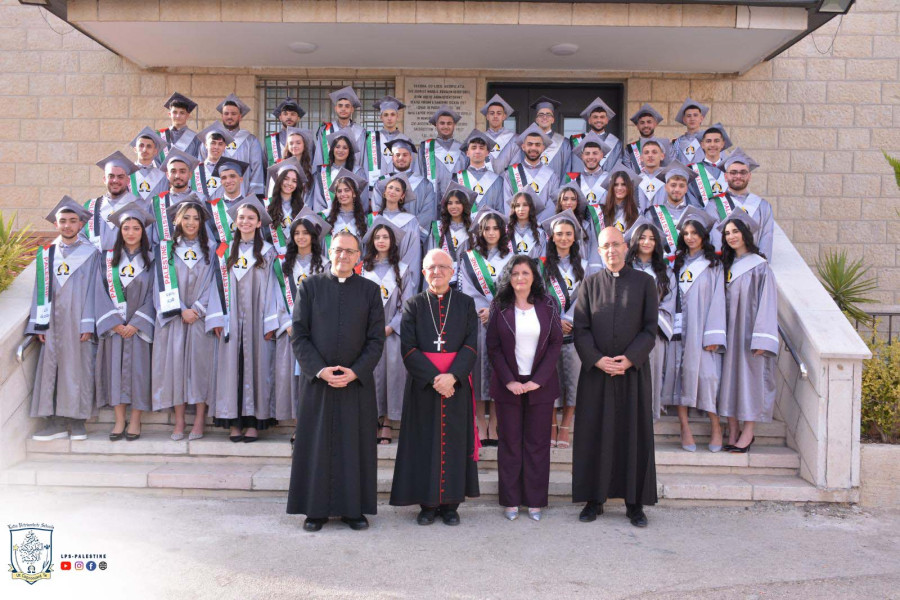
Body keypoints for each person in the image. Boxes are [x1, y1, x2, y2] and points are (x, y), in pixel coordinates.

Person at [288, 231, 386, 532]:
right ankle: (314, 511)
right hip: (319, 382)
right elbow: (300, 334)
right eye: (338, 250)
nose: (343, 256)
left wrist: (356, 371)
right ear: (329, 252)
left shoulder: (370, 291)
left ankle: (352, 510)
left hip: (356, 383)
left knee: (354, 445)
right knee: (316, 444)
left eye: (350, 252)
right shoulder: (310, 286)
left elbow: (375, 339)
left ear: (359, 256)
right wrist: (320, 370)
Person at [572, 227, 659, 528]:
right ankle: (593, 500)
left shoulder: (645, 283)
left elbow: (650, 329)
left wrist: (630, 359)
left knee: (632, 434)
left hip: (631, 374)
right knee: (593, 434)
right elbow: (580, 329)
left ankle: (634, 504)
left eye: (616, 245)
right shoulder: (589, 284)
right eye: (606, 246)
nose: (611, 250)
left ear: (626, 247)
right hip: (597, 374)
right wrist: (597, 360)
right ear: (598, 251)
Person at [390, 249, 480, 525]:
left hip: (456, 384)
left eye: (443, 267)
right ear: (424, 271)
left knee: (455, 442)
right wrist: (435, 379)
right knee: (423, 442)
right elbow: (408, 348)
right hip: (424, 386)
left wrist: (452, 377)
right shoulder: (413, 305)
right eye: (431, 267)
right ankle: (427, 505)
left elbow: (471, 345)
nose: (437, 272)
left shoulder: (465, 304)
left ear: (452, 273)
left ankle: (451, 505)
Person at [487, 255, 563, 521]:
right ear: (509, 277)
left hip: (540, 384)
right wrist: (509, 380)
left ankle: (534, 500)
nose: (520, 278)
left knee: (537, 443)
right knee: (509, 442)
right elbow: (493, 347)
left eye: (526, 273)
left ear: (534, 278)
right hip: (508, 382)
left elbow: (556, 343)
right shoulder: (499, 305)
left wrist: (537, 380)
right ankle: (510, 501)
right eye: (515, 273)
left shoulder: (548, 304)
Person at [210, 197, 289, 443]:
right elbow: (215, 286)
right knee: (231, 366)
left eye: (251, 218)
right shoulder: (224, 251)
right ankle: (234, 421)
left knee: (257, 366)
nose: (245, 221)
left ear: (258, 223)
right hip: (231, 317)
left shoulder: (268, 252)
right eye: (241, 217)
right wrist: (217, 318)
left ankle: (254, 422)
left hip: (258, 317)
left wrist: (270, 322)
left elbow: (274, 287)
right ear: (235, 222)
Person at [27, 197, 104, 442]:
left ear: (81, 224)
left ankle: (77, 421)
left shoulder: (91, 254)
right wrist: (39, 323)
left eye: (72, 221)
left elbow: (95, 290)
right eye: (63, 221)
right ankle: (53, 421)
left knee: (78, 369)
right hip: (52, 322)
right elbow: (39, 290)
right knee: (50, 369)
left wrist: (88, 323)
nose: (68, 226)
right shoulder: (46, 254)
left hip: (78, 320)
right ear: (56, 224)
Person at [150, 198, 219, 441]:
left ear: (202, 222)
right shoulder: (165, 249)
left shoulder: (212, 249)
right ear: (177, 220)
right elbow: (159, 285)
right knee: (176, 368)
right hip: (175, 318)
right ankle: (179, 421)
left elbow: (215, 284)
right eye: (186, 217)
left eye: (196, 218)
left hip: (200, 318)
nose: (191, 222)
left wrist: (198, 309)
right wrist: (180, 309)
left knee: (200, 367)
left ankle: (199, 420)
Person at [663, 207, 727, 453]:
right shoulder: (675, 263)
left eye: (694, 233)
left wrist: (714, 334)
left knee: (708, 377)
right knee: (681, 375)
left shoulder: (713, 265)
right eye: (686, 233)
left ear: (703, 236)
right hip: (679, 329)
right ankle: (684, 426)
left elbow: (719, 299)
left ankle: (716, 425)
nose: (690, 237)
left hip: (703, 328)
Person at [95, 202, 157, 442]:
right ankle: (119, 419)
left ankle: (135, 420)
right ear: (120, 232)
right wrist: (113, 322)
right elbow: (99, 292)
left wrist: (138, 323)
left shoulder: (153, 260)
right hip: (115, 328)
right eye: (126, 228)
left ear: (143, 232)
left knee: (139, 373)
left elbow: (155, 293)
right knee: (115, 372)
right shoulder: (107, 260)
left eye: (136, 228)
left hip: (138, 328)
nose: (131, 233)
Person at [718, 212, 779, 453]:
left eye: (735, 231)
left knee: (749, 381)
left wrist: (762, 337)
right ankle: (732, 429)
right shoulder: (726, 265)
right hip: (727, 332)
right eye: (727, 233)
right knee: (728, 380)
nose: (731, 236)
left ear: (746, 234)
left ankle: (748, 432)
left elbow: (767, 302)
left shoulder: (760, 266)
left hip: (749, 333)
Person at [542, 210, 597, 449]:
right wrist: (555, 320)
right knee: (549, 378)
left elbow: (589, 297)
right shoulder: (541, 266)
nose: (563, 238)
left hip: (576, 331)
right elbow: (537, 298)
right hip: (548, 332)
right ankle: (552, 423)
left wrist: (570, 319)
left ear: (575, 238)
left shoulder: (585, 267)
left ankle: (566, 424)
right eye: (559, 234)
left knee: (574, 378)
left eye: (568, 234)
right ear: (552, 238)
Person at [459, 210, 514, 446]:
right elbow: (466, 292)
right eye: (486, 228)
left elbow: (517, 289)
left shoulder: (512, 258)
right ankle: (480, 421)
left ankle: (496, 422)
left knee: (500, 369)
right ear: (480, 232)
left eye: (495, 228)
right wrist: (483, 311)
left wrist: (496, 310)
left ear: (502, 231)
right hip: (478, 321)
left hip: (505, 322)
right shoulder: (468, 258)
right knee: (478, 369)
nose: (491, 232)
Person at [359, 219, 415, 445]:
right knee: (369, 376)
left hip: (392, 332)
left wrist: (391, 326)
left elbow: (408, 303)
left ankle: (389, 422)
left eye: (386, 237)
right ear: (372, 241)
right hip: (365, 333)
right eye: (378, 237)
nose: (381, 241)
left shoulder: (402, 269)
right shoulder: (361, 268)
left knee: (392, 375)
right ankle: (370, 420)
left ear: (392, 242)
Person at [276, 209, 331, 430]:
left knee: (313, 377)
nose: (301, 237)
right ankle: (299, 426)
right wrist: (287, 323)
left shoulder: (325, 265)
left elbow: (328, 298)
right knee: (294, 380)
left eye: (305, 233)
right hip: (291, 330)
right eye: (296, 233)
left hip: (316, 332)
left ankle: (314, 426)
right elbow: (275, 295)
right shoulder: (283, 266)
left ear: (313, 236)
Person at [625, 218, 677, 419]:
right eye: (642, 238)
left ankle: (648, 417)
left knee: (651, 375)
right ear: (635, 240)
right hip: (627, 331)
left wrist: (649, 322)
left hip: (653, 333)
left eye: (652, 239)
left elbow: (668, 304)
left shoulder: (665, 272)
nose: (646, 242)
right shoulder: (625, 268)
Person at [713, 150, 774, 258]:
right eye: (733, 172)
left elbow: (766, 238)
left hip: (753, 266)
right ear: (726, 176)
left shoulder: (763, 206)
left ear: (749, 176)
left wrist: (760, 265)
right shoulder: (714, 205)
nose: (738, 176)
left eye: (743, 172)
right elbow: (715, 238)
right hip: (726, 264)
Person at [501, 96, 572, 181]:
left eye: (548, 114)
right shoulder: (524, 141)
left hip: (555, 191)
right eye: (541, 114)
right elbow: (517, 168)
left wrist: (561, 192)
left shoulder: (564, 143)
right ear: (536, 119)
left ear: (553, 119)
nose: (544, 117)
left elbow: (567, 172)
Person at [83, 151, 141, 252]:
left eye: (120, 177)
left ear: (127, 181)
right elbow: (81, 237)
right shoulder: (91, 206)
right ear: (104, 179)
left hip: (127, 264)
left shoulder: (139, 205)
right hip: (97, 264)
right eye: (111, 176)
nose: (115, 180)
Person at [376, 135, 436, 231]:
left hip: (414, 236)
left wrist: (412, 234)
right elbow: (378, 211)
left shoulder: (425, 184)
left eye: (405, 155)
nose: (401, 158)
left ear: (411, 158)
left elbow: (428, 213)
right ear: (392, 158)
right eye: (397, 155)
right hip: (387, 236)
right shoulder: (381, 183)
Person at [212, 94, 266, 198]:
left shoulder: (250, 141)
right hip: (216, 196)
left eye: (233, 113)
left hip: (243, 195)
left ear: (240, 116)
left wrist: (252, 195)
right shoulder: (212, 140)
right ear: (222, 116)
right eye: (226, 113)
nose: (229, 117)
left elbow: (257, 168)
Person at [502, 125, 559, 221]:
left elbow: (552, 205)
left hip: (541, 230)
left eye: (537, 145)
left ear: (543, 148)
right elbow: (507, 203)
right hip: (517, 228)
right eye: (530, 144)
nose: (533, 148)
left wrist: (537, 225)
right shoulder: (510, 174)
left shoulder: (552, 176)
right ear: (523, 147)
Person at [426, 183, 476, 288]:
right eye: (450, 203)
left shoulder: (473, 230)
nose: (453, 206)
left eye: (458, 203)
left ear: (465, 205)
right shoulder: (437, 229)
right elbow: (430, 260)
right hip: (441, 280)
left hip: (467, 282)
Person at [643, 162, 694, 261]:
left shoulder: (693, 214)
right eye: (673, 185)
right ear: (666, 187)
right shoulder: (653, 214)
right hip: (662, 265)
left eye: (681, 186)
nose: (677, 189)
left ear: (686, 189)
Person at [310, 131, 369, 213]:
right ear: (332, 149)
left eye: (345, 148)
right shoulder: (323, 172)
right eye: (337, 147)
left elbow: (363, 201)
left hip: (352, 220)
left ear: (349, 151)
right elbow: (318, 202)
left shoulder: (358, 172)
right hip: (328, 220)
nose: (340, 150)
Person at [313, 86, 367, 169]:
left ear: (352, 109)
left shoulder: (360, 132)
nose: (343, 109)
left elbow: (363, 160)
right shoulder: (325, 130)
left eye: (347, 106)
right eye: (340, 106)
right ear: (335, 108)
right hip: (329, 177)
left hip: (353, 176)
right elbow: (319, 157)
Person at [420, 105, 466, 201]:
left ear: (454, 125)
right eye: (442, 123)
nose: (446, 126)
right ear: (436, 125)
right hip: (431, 199)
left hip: (456, 201)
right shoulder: (425, 148)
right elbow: (419, 174)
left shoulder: (462, 149)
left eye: (449, 123)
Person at [264, 158, 308, 254]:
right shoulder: (267, 205)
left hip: (296, 255)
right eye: (286, 179)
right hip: (273, 257)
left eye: (294, 181)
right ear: (279, 180)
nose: (289, 184)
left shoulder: (303, 207)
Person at [455, 130, 505, 213]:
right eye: (473, 148)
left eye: (481, 148)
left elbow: (500, 210)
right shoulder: (457, 179)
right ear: (467, 153)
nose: (477, 151)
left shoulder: (498, 181)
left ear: (487, 153)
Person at [570, 98, 622, 173]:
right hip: (581, 183)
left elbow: (618, 169)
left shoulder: (616, 144)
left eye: (602, 117)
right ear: (589, 120)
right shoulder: (575, 141)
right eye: (595, 117)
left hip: (606, 184)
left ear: (607, 120)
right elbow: (571, 167)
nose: (599, 120)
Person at [687, 123, 732, 208]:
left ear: (723, 144)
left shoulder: (731, 170)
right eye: (708, 141)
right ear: (702, 145)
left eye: (716, 141)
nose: (712, 145)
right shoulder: (692, 171)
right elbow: (691, 201)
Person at [366, 95, 406, 189]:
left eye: (392, 114)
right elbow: (365, 166)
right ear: (381, 117)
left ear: (397, 116)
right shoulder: (371, 139)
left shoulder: (405, 140)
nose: (389, 118)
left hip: (397, 192)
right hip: (375, 191)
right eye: (386, 115)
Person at [322, 170, 372, 246]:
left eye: (347, 190)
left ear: (354, 194)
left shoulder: (363, 221)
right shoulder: (327, 217)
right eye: (339, 191)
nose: (343, 194)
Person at [564, 132, 613, 206]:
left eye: (595, 153)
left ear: (601, 156)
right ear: (582, 156)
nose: (591, 157)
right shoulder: (572, 180)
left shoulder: (610, 179)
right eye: (587, 153)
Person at [623, 103, 668, 172]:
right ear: (637, 126)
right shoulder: (630, 149)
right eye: (642, 123)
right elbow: (628, 172)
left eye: (649, 122)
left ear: (655, 124)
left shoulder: (665, 146)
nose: (646, 125)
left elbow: (669, 168)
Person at [195, 123, 235, 200]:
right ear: (206, 145)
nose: (216, 147)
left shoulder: (231, 171)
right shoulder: (195, 170)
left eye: (220, 144)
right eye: (213, 143)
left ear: (224, 147)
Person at [129, 127, 168, 202]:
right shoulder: (127, 173)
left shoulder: (162, 177)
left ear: (155, 151)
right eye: (141, 145)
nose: (144, 150)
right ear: (135, 149)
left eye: (149, 146)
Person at [600, 166, 641, 234]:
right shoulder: (601, 212)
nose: (619, 188)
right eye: (616, 185)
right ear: (611, 188)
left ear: (629, 187)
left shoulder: (637, 213)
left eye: (623, 184)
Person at [481, 94, 516, 172]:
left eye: (499, 113)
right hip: (485, 182)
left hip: (507, 182)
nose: (495, 116)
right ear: (487, 116)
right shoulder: (479, 139)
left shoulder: (514, 139)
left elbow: (516, 165)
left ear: (504, 116)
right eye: (492, 113)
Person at [160, 92, 201, 159]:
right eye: (175, 112)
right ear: (169, 114)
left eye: (182, 113)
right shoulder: (161, 136)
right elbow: (156, 160)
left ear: (187, 115)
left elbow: (198, 161)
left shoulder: (196, 139)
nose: (178, 116)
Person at [265, 97, 305, 167]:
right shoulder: (271, 141)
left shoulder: (306, 140)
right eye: (285, 114)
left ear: (298, 118)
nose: (289, 117)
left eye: (293, 114)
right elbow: (264, 169)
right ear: (280, 117)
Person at [633, 138, 669, 211]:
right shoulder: (636, 181)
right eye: (646, 152)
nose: (650, 155)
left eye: (654, 152)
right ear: (641, 158)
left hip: (663, 219)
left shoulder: (668, 178)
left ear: (662, 156)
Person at [507, 191, 545, 259]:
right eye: (517, 205)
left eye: (525, 205)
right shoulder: (506, 232)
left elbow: (542, 259)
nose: (521, 209)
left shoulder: (540, 233)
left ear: (530, 208)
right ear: (514, 209)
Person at [671, 98, 709, 165]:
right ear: (684, 120)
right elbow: (672, 164)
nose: (692, 119)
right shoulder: (677, 143)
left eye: (695, 115)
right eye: (689, 116)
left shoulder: (709, 140)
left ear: (701, 118)